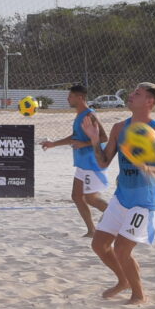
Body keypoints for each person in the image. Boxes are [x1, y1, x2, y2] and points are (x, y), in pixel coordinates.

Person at [91, 82, 155, 305]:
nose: (131, 96)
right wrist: (93, 140)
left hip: (145, 201)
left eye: (137, 94)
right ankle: (123, 281)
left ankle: (139, 295)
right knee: (99, 245)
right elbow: (103, 163)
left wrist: (149, 168)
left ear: (150, 102)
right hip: (122, 197)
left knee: (122, 249)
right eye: (132, 92)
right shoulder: (120, 128)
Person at [40, 85, 109, 235]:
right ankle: (91, 230)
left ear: (80, 98)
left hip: (92, 162)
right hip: (82, 163)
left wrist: (84, 144)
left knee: (91, 198)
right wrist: (53, 144)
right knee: (77, 196)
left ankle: (117, 215)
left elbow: (103, 137)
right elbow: (74, 137)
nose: (67, 99)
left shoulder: (89, 115)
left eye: (70, 96)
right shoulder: (79, 115)